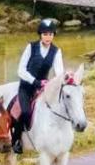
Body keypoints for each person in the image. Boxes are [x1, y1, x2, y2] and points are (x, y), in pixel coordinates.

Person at [11, 18, 64, 152]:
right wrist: (35, 81)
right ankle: (16, 140)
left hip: (42, 88)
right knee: (25, 111)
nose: (48, 37)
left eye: (50, 34)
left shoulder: (56, 51)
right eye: (45, 34)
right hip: (27, 87)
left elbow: (59, 72)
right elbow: (21, 70)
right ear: (40, 34)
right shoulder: (31, 47)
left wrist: (60, 81)